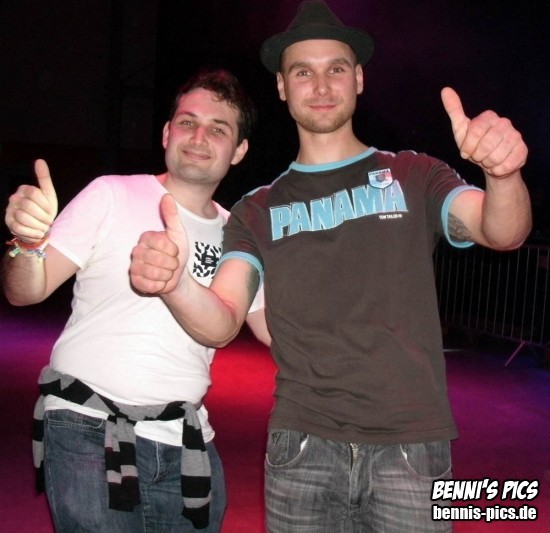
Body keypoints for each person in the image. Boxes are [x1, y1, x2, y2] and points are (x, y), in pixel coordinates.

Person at [129, 1, 532, 531]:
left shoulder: (414, 175)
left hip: (413, 447)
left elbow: (502, 230)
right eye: (303, 72)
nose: (320, 85)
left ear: (358, 78)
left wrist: (502, 175)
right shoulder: (256, 210)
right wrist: (175, 285)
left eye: (335, 68)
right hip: (302, 449)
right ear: (282, 87)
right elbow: (223, 318)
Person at [2, 68, 269, 532]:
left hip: (186, 440)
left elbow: (279, 332)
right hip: (88, 425)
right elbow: (25, 291)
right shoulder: (111, 193)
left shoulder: (239, 236)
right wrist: (26, 243)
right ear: (167, 133)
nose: (198, 137)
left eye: (218, 129)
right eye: (187, 122)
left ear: (239, 150)